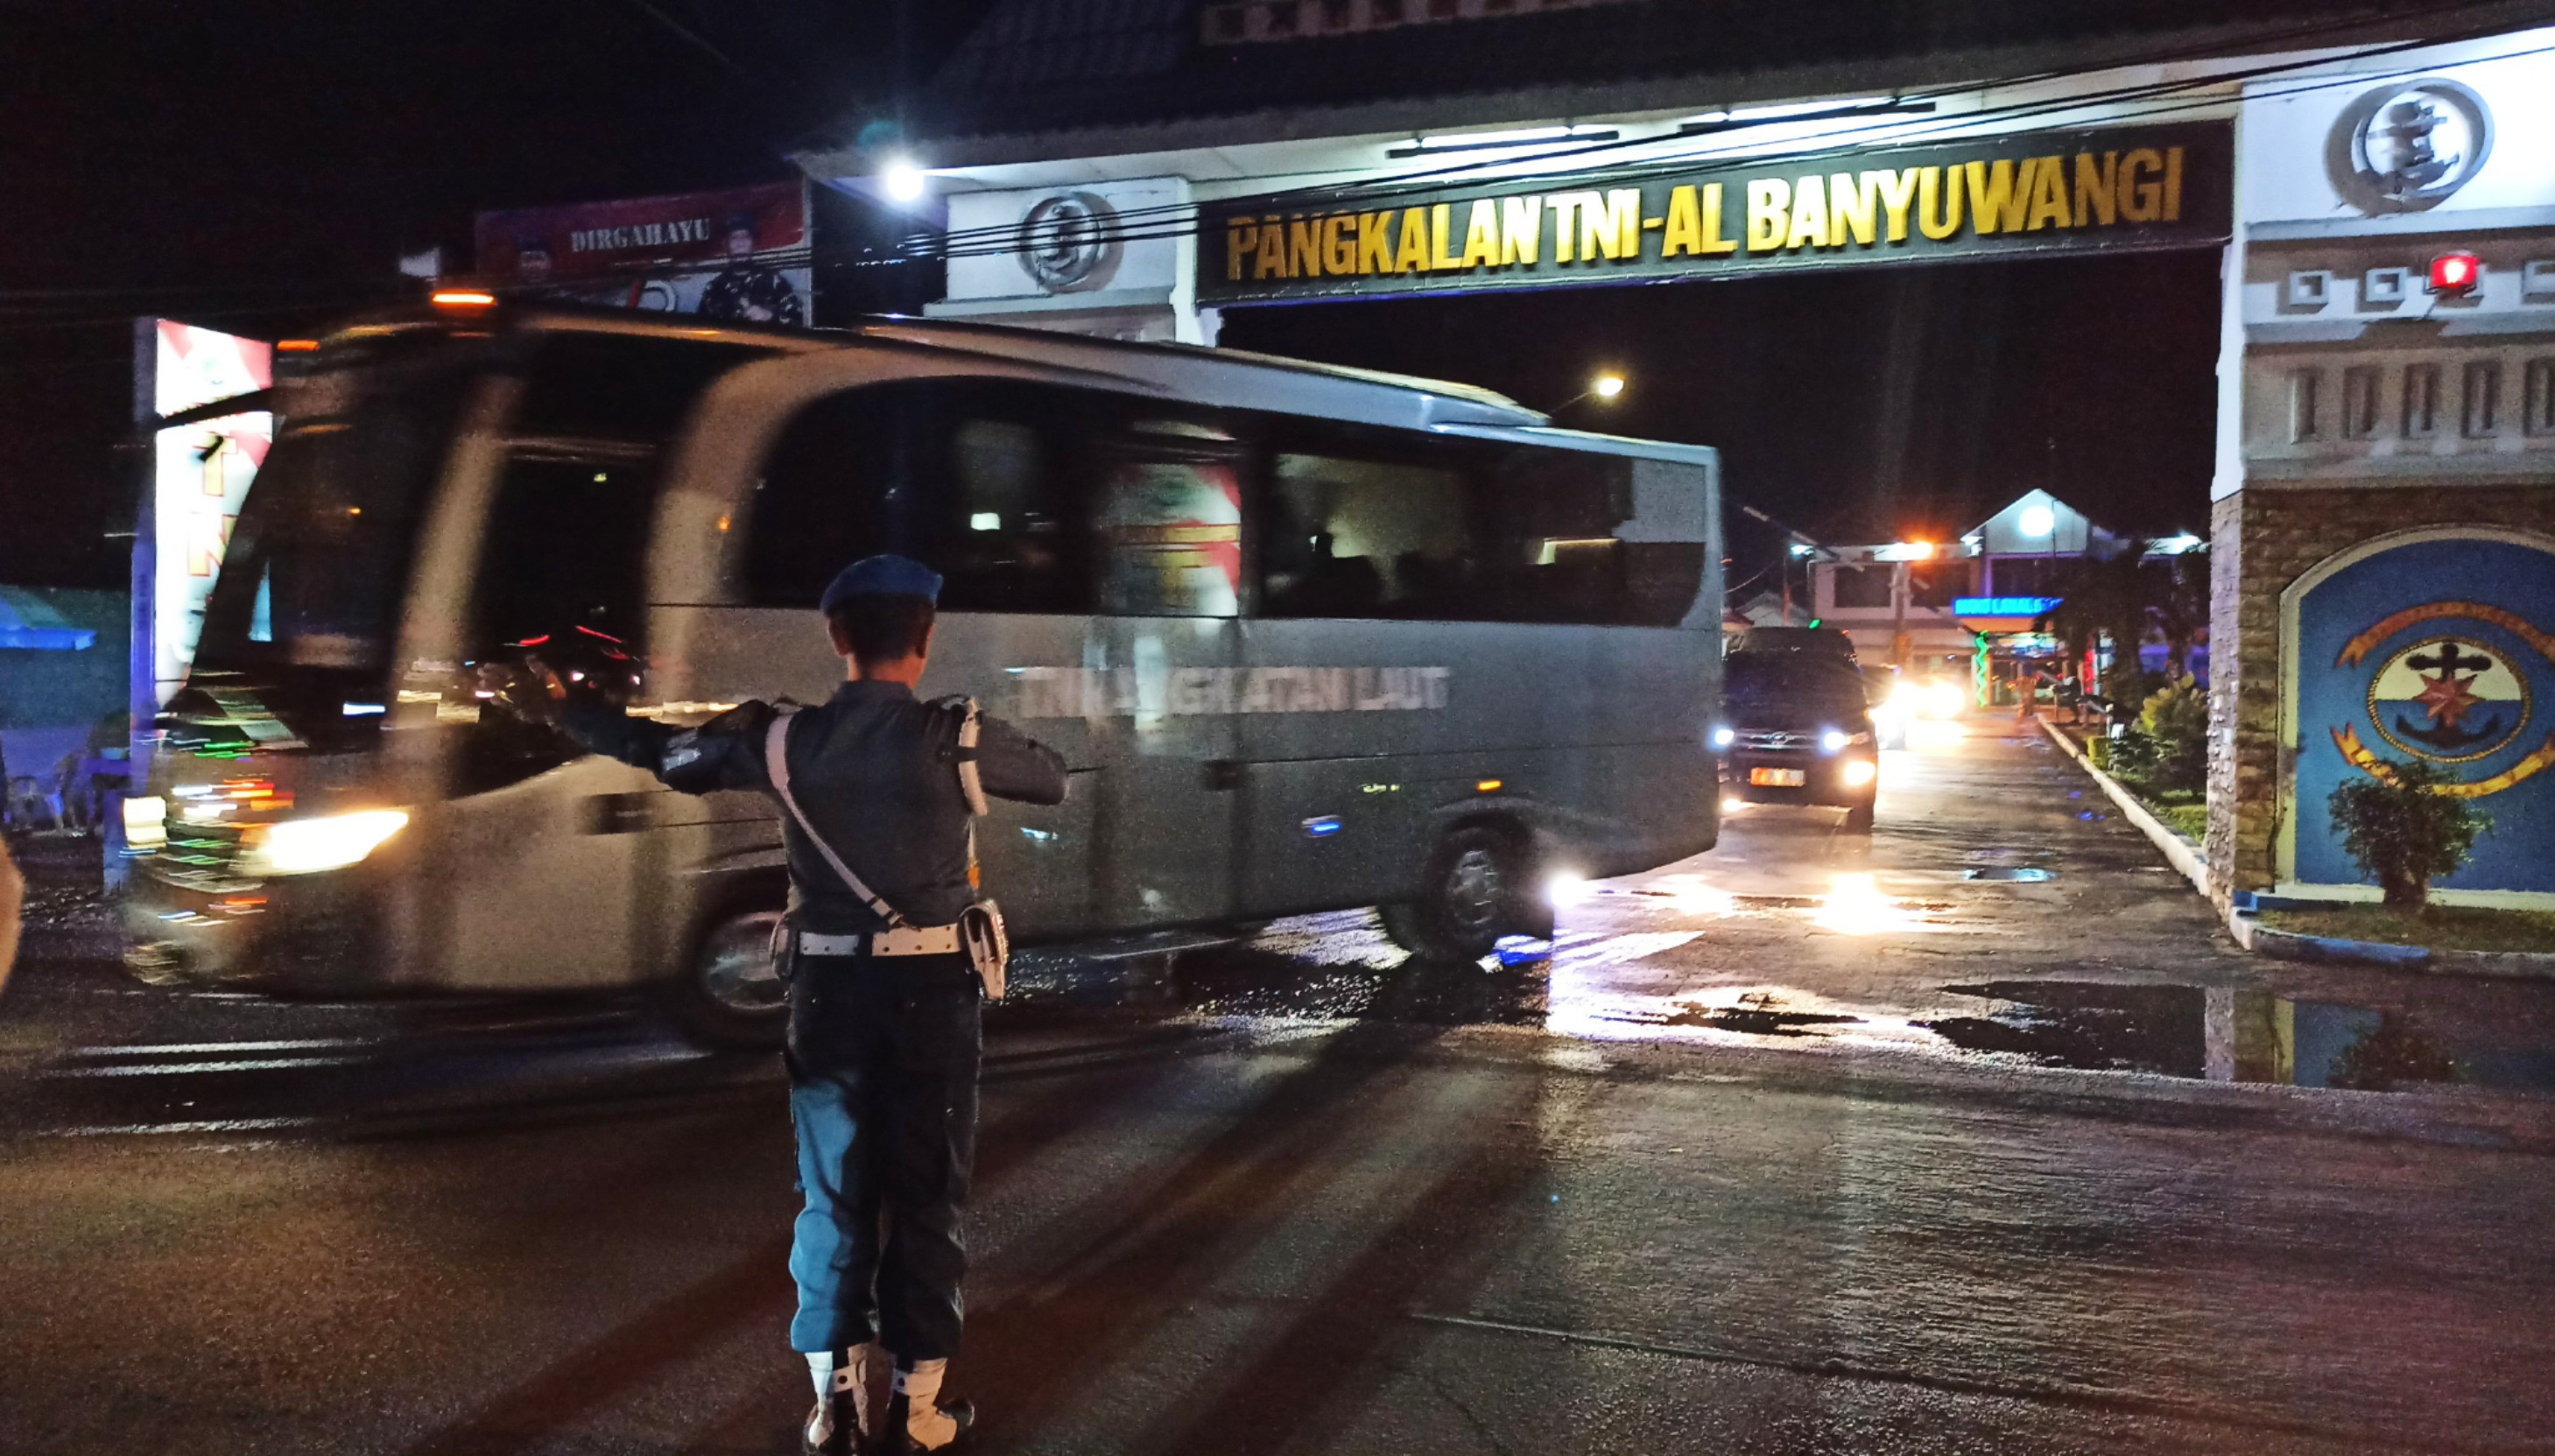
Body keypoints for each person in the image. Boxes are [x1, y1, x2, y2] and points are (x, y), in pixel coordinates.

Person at [489, 555, 1065, 1453]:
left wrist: (564, 710)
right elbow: (1051, 778)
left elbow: (661, 750)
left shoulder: (777, 741)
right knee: (925, 1192)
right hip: (930, 997)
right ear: (926, 638)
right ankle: (916, 1414)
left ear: (837, 639)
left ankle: (834, 1404)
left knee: (833, 1192)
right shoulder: (954, 735)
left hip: (828, 995)